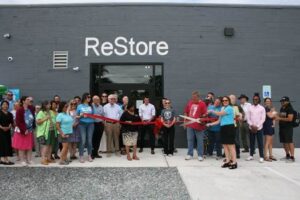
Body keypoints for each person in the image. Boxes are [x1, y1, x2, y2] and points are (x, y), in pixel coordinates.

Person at [207, 96, 237, 169]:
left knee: (230, 146)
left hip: (229, 127)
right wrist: (210, 124)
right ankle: (227, 161)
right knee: (225, 146)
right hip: (223, 128)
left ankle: (234, 162)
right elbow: (219, 121)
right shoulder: (223, 108)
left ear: (229, 101)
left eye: (226, 100)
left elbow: (220, 113)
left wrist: (211, 110)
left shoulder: (229, 108)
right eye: (223, 101)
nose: (224, 101)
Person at [184, 91, 207, 161]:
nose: (193, 100)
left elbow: (205, 114)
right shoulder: (190, 102)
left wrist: (202, 117)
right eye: (192, 98)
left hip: (199, 125)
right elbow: (186, 112)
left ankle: (200, 155)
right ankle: (189, 154)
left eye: (194, 98)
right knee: (190, 140)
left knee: (200, 141)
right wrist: (185, 121)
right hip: (190, 125)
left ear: (198, 97)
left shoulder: (202, 104)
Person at [12, 96, 35, 166]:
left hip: (30, 130)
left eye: (29, 99)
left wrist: (32, 127)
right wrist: (24, 129)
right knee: (21, 146)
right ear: (23, 101)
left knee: (29, 146)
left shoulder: (31, 108)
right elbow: (18, 122)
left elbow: (33, 118)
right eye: (27, 99)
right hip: (22, 131)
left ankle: (29, 159)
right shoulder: (20, 110)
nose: (29, 100)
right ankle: (22, 160)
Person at [36, 100, 57, 165]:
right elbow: (38, 122)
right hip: (45, 132)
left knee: (50, 145)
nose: (50, 105)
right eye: (48, 104)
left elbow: (54, 119)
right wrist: (46, 118)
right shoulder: (41, 112)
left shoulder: (51, 112)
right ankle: (43, 159)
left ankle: (48, 158)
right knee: (45, 146)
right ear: (45, 105)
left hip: (52, 130)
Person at [246, 93, 266, 163]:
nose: (255, 100)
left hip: (259, 128)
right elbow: (248, 118)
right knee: (251, 142)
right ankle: (251, 155)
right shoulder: (250, 107)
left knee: (260, 143)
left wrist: (257, 126)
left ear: (259, 100)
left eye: (256, 99)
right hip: (251, 128)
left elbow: (263, 119)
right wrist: (251, 125)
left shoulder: (262, 108)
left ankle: (261, 156)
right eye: (254, 99)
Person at [275, 96, 295, 162]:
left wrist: (280, 118)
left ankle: (292, 157)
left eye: (283, 101)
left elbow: (290, 119)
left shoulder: (289, 108)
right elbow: (281, 116)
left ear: (287, 101)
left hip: (288, 128)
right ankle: (287, 155)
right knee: (284, 142)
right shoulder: (282, 108)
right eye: (281, 101)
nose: (282, 102)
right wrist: (276, 114)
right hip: (282, 127)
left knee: (289, 141)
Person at [77, 93, 95, 163]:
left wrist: (90, 116)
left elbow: (94, 116)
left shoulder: (91, 106)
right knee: (83, 140)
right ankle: (81, 156)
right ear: (84, 98)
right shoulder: (79, 106)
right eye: (88, 97)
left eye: (90, 97)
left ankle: (89, 155)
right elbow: (76, 116)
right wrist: (81, 116)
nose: (89, 98)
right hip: (82, 124)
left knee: (90, 141)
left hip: (90, 124)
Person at [0, 100, 14, 165]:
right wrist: (2, 127)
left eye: (6, 104)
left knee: (7, 144)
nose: (5, 105)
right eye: (4, 104)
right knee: (2, 144)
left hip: (7, 131)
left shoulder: (10, 114)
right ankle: (3, 159)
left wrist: (9, 127)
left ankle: (6, 159)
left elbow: (11, 122)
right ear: (1, 105)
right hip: (0, 131)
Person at [229, 94, 243, 159]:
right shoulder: (226, 106)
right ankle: (228, 153)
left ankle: (237, 153)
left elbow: (242, 114)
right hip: (227, 126)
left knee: (236, 140)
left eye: (233, 98)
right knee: (228, 140)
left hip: (235, 126)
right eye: (230, 98)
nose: (232, 100)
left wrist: (241, 116)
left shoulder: (238, 106)